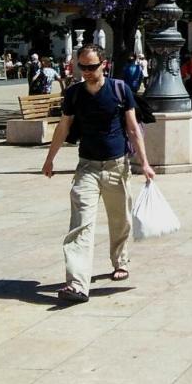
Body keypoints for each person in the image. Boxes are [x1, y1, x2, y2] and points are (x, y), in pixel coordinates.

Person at [41, 44, 154, 304]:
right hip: (87, 167)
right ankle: (77, 285)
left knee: (119, 220)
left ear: (104, 64)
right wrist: (50, 159)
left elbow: (133, 128)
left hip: (116, 166)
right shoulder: (74, 94)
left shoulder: (119, 89)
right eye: (83, 67)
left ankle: (120, 261)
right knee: (80, 223)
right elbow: (63, 126)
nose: (87, 72)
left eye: (92, 67)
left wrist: (145, 163)